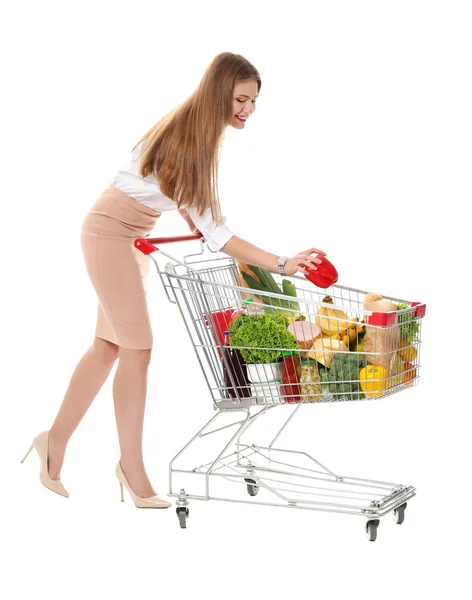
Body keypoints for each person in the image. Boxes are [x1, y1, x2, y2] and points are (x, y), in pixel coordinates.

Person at [21, 52, 326, 508]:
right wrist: (281, 263)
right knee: (137, 350)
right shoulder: (188, 143)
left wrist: (246, 250)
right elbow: (217, 233)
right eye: (241, 99)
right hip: (110, 236)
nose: (248, 110)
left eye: (254, 101)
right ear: (219, 93)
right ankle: (131, 468)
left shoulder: (196, 136)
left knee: (109, 348)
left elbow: (198, 215)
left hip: (127, 238)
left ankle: (54, 442)